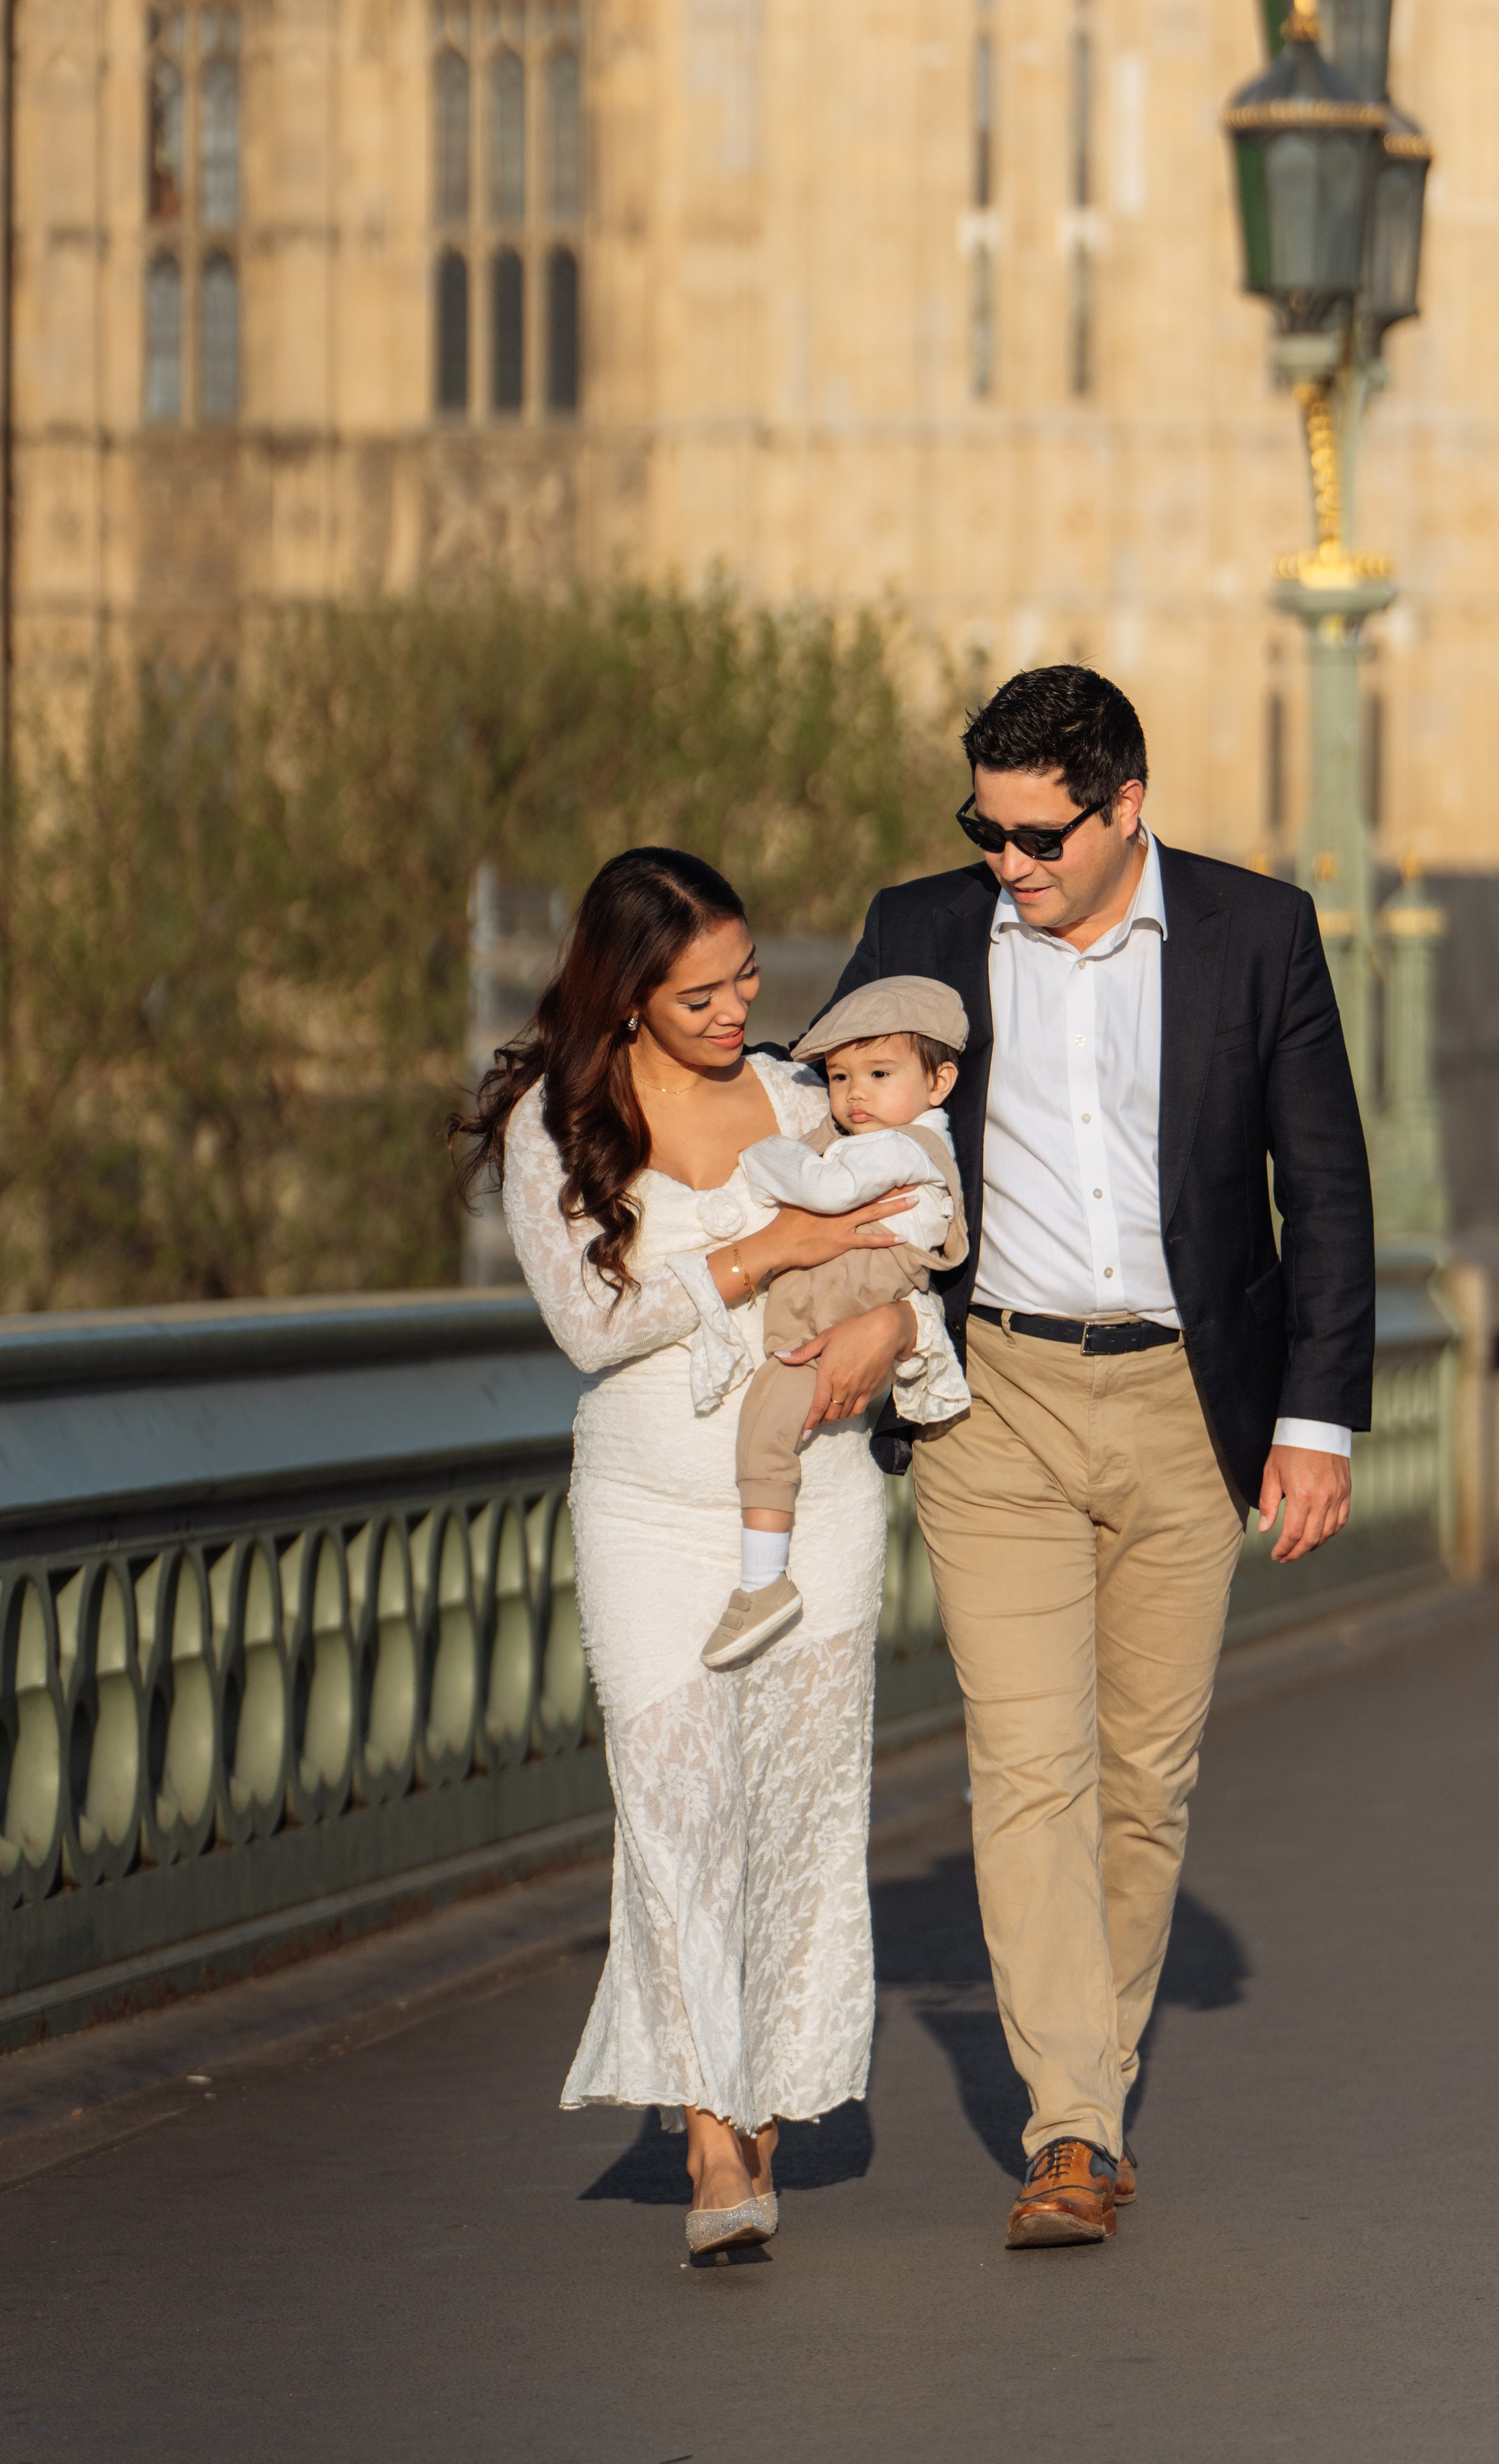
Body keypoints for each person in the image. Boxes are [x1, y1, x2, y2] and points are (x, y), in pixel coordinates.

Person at [821, 664, 1375, 2251]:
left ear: (1124, 805)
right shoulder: (920, 929)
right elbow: (819, 1114)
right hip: (991, 1387)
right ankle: (1067, 2124)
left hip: (1186, 1400)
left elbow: (1320, 1189)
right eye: (984, 829)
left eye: (1038, 833)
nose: (1008, 861)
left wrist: (1313, 1416)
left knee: (1143, 1773)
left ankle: (1092, 2083)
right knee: (1029, 1762)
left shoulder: (1249, 932)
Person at [452, 847, 964, 2258]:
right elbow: (592, 1327)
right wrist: (761, 1249)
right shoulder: (555, 1131)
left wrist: (889, 1328)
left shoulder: (810, 1097)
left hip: (820, 1500)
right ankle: (709, 2140)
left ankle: (772, 2108)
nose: (738, 1009)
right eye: (700, 993)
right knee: (674, 1813)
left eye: (745, 979)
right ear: (625, 1000)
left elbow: (913, 1246)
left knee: (795, 1818)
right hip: (642, 1510)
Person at [701, 976, 972, 1673]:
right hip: (832, 1311)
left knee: (767, 1430)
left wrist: (760, 1153)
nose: (854, 1094)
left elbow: (823, 1188)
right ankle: (763, 1579)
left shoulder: (905, 1148)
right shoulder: (869, 1138)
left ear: (939, 1081)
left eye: (879, 1074)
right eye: (840, 1075)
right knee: (770, 1422)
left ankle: (763, 1583)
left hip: (841, 1315)